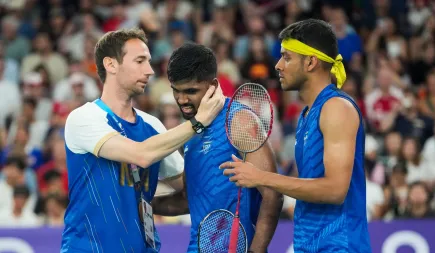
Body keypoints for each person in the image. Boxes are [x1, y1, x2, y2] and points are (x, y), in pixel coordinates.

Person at [60, 29, 225, 253]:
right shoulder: (84, 118)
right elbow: (141, 154)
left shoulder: (153, 126)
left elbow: (190, 192)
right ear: (111, 64)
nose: (149, 70)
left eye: (148, 61)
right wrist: (198, 122)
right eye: (139, 61)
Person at [220, 19, 371, 252]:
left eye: (287, 57)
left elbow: (335, 190)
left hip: (339, 246)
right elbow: (307, 185)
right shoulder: (307, 114)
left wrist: (261, 177)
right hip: (308, 244)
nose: (278, 65)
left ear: (311, 62)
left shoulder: (336, 108)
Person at [151, 43, 283, 253]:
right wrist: (144, 204)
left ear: (213, 84)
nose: (182, 100)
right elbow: (188, 200)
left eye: (191, 91)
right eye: (176, 91)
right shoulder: (192, 132)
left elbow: (272, 194)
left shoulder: (239, 119)